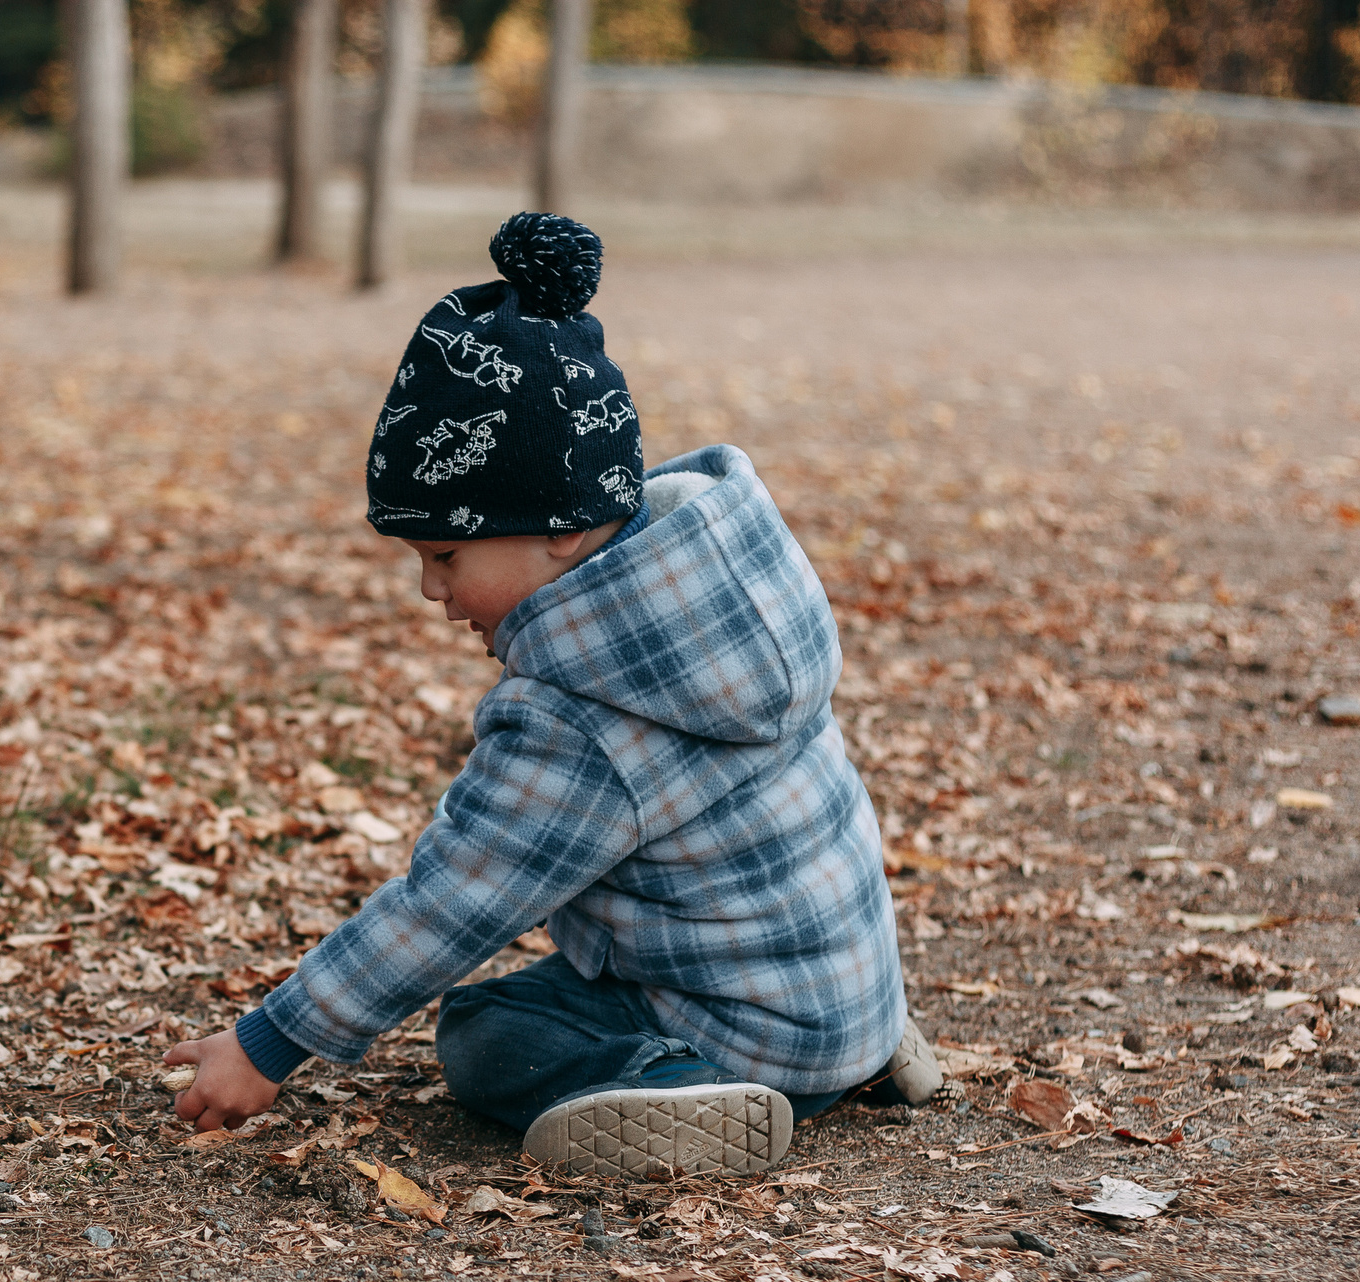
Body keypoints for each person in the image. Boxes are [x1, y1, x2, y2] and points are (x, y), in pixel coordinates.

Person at [163, 212, 938, 1179]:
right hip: (841, 993)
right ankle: (856, 1046)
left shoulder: (582, 716)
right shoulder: (724, 602)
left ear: (562, 529)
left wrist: (273, 1039)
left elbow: (454, 902)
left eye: (446, 553)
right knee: (569, 973)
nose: (431, 590)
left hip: (750, 1032)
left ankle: (678, 1085)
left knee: (486, 1026)